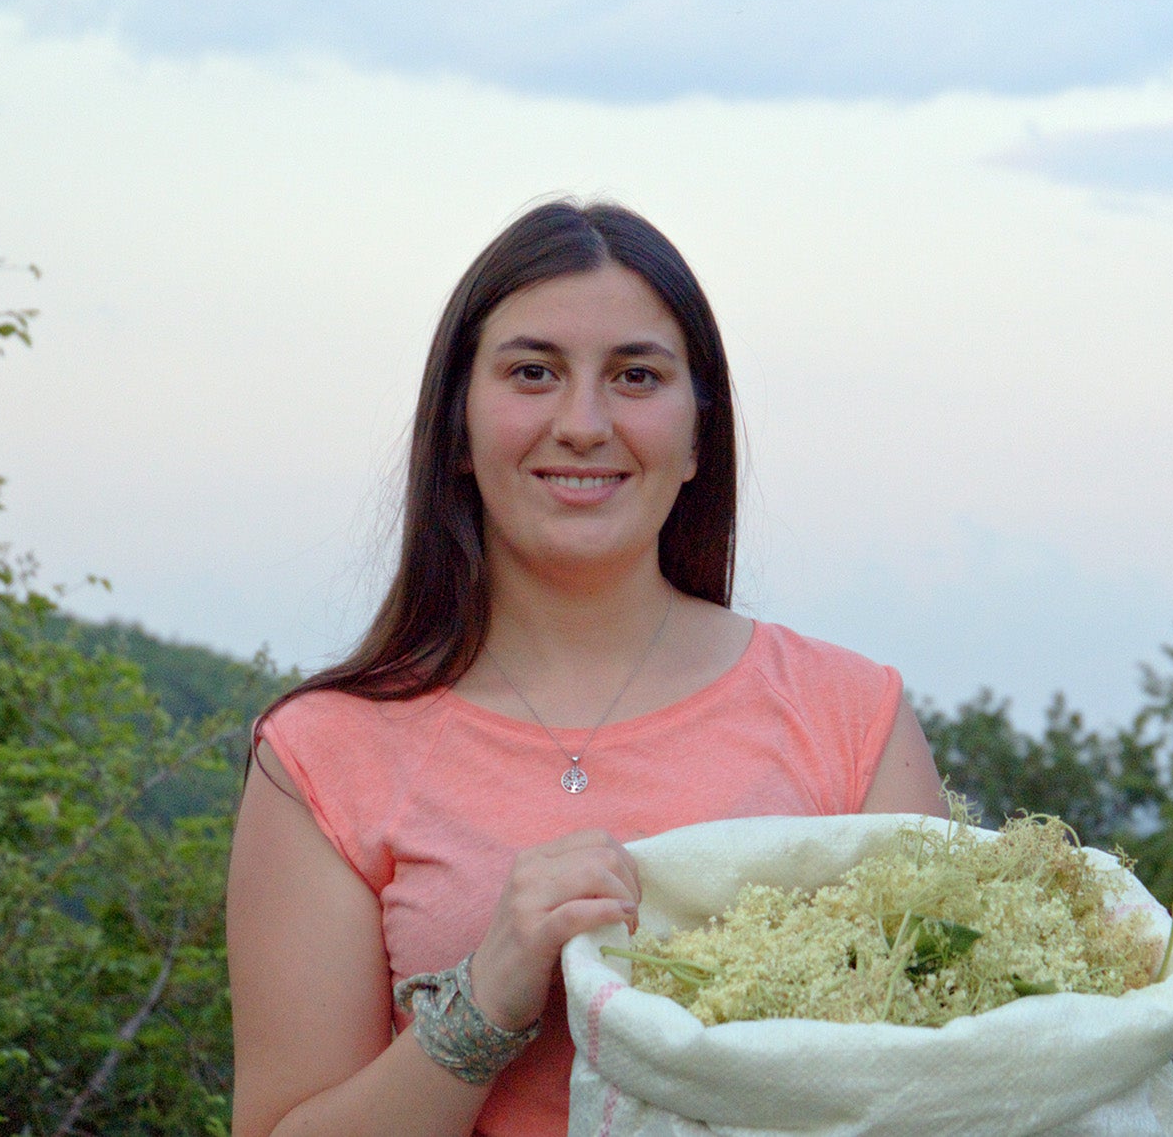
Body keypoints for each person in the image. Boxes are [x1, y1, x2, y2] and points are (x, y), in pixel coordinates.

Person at [225, 201, 947, 1137]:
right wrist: (487, 1001)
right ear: (456, 427)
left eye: (636, 376)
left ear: (698, 435)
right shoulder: (321, 756)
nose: (583, 423)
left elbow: (949, 1085)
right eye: (533, 372)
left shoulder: (853, 718)